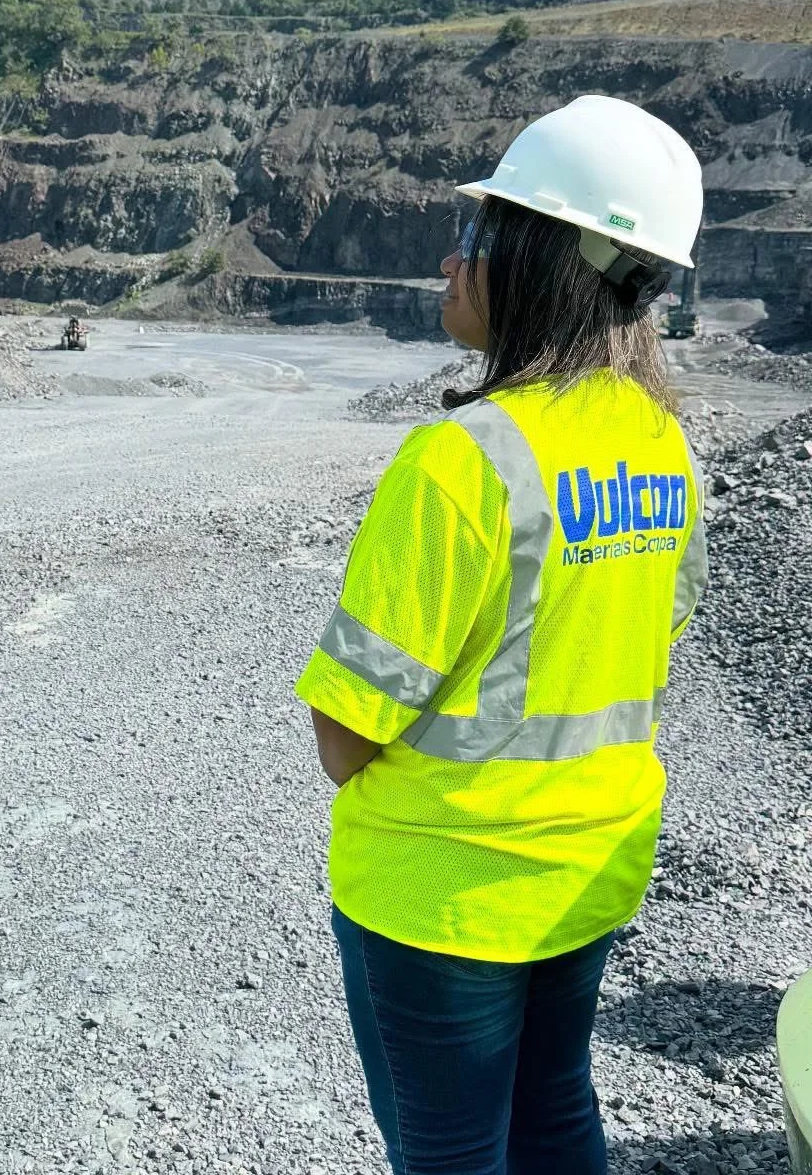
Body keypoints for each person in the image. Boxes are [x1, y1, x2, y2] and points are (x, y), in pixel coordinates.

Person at [296, 95, 709, 1175]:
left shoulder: (462, 460)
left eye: (480, 234)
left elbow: (346, 736)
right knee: (556, 1115)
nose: (452, 256)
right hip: (591, 863)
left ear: (538, 256)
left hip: (444, 897)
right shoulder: (661, 445)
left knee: (449, 1152)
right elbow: (648, 638)